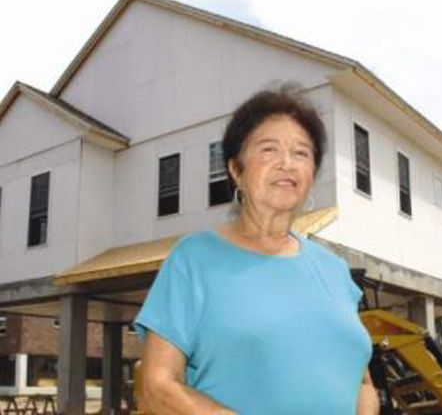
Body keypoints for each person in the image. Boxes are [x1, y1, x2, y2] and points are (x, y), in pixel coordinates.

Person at [133, 84, 379, 414]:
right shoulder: (195, 259)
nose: (287, 163)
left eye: (302, 153)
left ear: (312, 173)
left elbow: (361, 383)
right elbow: (156, 387)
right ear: (236, 169)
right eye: (269, 150)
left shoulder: (334, 270)